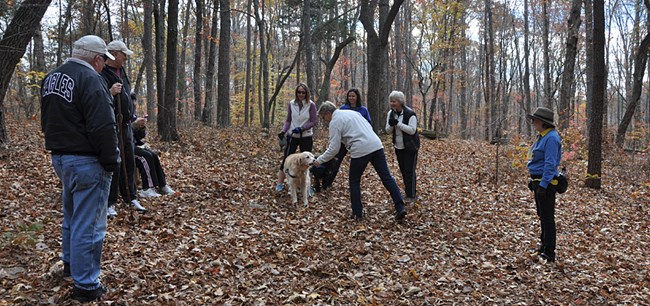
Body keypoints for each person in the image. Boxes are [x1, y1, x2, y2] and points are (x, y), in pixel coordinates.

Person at [41, 35, 118, 302]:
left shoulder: (51, 78)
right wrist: (111, 161)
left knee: (72, 216)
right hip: (87, 161)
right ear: (96, 59)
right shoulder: (91, 80)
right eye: (103, 62)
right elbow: (103, 125)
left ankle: (71, 265)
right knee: (90, 224)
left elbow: (48, 120)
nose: (103, 67)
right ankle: (86, 285)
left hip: (61, 158)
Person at [313, 101, 407, 221]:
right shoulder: (352, 113)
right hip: (376, 144)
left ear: (328, 113)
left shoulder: (335, 122)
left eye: (323, 117)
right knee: (387, 177)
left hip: (361, 149)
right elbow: (364, 127)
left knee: (354, 180)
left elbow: (334, 149)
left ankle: (357, 212)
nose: (324, 120)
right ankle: (400, 207)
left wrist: (319, 160)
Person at [100, 40, 147, 216]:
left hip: (126, 125)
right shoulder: (101, 73)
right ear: (113, 54)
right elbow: (98, 99)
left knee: (129, 159)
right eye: (123, 54)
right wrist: (110, 93)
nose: (126, 58)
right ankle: (110, 202)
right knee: (114, 162)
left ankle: (131, 196)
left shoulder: (122, 72)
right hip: (112, 125)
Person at [314, 88, 372, 192]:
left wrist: (319, 160)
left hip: (359, 144)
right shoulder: (343, 109)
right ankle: (327, 182)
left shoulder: (362, 110)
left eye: (323, 117)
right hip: (348, 142)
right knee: (336, 161)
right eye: (349, 96)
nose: (351, 98)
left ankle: (356, 197)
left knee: (354, 176)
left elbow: (368, 124)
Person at [526, 107, 563, 262]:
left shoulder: (552, 138)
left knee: (548, 218)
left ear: (542, 122)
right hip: (539, 182)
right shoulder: (543, 136)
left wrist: (543, 185)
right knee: (543, 216)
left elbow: (550, 164)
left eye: (535, 120)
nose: (533, 122)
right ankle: (543, 245)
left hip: (546, 184)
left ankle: (550, 251)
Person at [131, 92, 176, 197]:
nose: (134, 104)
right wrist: (134, 125)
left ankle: (162, 185)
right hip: (126, 148)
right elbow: (124, 132)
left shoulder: (133, 116)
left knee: (153, 155)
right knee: (145, 157)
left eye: (135, 101)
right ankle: (147, 188)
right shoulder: (122, 115)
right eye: (132, 101)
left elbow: (139, 136)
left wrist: (141, 127)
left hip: (134, 145)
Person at [275, 83, 318, 192]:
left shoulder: (311, 105)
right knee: (287, 159)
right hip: (292, 136)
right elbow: (288, 120)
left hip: (306, 136)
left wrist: (302, 128)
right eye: (299, 92)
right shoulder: (291, 104)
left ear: (306, 93)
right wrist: (283, 131)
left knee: (308, 161)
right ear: (296, 93)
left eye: (303, 92)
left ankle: (308, 186)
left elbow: (314, 121)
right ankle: (280, 183)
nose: (301, 94)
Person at [385, 91, 420, 203]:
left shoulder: (410, 114)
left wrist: (398, 124)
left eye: (394, 101)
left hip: (410, 146)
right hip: (398, 146)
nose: (392, 103)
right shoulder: (391, 113)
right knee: (403, 170)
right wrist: (391, 125)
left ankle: (411, 195)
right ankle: (407, 192)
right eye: (391, 101)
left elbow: (412, 130)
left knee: (410, 170)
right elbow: (388, 131)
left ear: (400, 102)